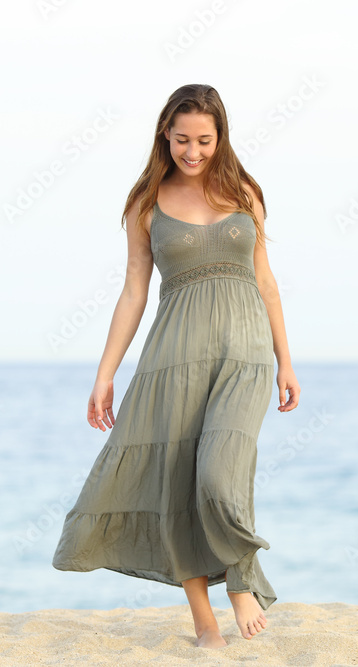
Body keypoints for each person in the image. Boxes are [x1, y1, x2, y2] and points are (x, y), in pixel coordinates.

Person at [52, 83, 300, 649]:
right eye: (183, 139)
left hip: (246, 354)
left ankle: (240, 577)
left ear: (221, 137)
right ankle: (204, 623)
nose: (193, 151)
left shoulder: (245, 192)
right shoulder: (147, 202)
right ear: (166, 132)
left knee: (220, 471)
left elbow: (266, 282)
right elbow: (134, 291)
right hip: (173, 359)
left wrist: (287, 361)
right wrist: (105, 372)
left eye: (205, 140)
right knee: (176, 485)